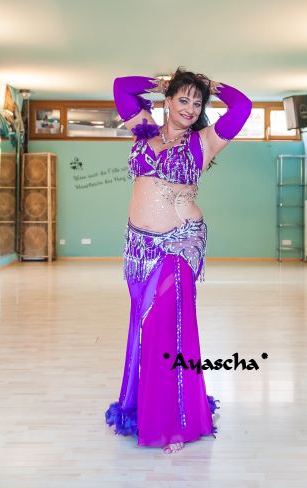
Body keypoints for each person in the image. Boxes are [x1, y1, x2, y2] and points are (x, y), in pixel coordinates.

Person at [105, 67, 252, 454]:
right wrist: (162, 82)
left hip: (179, 243)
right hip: (139, 247)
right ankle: (149, 409)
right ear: (167, 102)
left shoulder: (204, 142)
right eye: (182, 99)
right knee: (144, 328)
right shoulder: (144, 130)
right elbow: (121, 88)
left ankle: (175, 421)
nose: (190, 108)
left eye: (197, 103)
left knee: (167, 330)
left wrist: (212, 86)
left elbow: (242, 107)